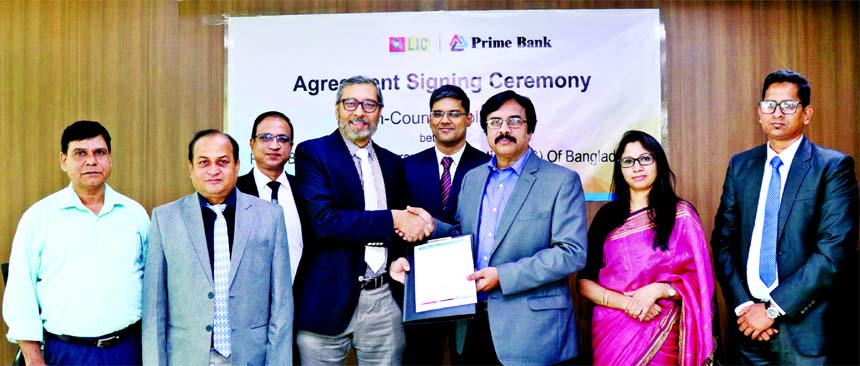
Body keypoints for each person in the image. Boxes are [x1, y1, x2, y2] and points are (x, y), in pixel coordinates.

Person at [411, 90, 588, 365]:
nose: (504, 129)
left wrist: (502, 276)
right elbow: (463, 237)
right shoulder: (473, 179)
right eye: (495, 122)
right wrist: (434, 227)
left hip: (532, 332)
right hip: (472, 325)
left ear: (530, 131)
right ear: (485, 131)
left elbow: (571, 253)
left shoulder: (561, 181)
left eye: (514, 121)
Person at [711, 69, 858, 365]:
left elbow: (833, 252)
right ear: (759, 113)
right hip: (747, 331)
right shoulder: (741, 166)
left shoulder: (832, 167)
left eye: (789, 105)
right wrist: (743, 308)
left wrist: (772, 310)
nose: (777, 113)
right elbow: (722, 241)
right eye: (770, 105)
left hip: (806, 332)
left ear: (807, 113)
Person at [292, 75, 430, 365]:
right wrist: (393, 219)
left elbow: (402, 228)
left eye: (369, 104)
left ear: (380, 111)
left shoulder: (393, 163)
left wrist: (399, 255)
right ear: (337, 108)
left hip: (383, 298)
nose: (359, 112)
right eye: (351, 103)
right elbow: (323, 222)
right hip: (325, 301)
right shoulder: (313, 153)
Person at [2, 120, 149, 365]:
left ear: (110, 158)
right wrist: (32, 357)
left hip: (126, 350)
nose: (91, 161)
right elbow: (20, 291)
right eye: (80, 153)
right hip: (64, 352)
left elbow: (152, 284)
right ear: (63, 161)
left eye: (99, 152)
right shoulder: (39, 218)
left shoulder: (134, 215)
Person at [142, 130, 293, 366]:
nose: (213, 171)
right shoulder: (165, 219)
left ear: (237, 165)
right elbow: (154, 309)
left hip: (251, 357)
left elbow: (281, 303)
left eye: (222, 162)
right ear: (191, 168)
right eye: (204, 162)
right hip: (187, 357)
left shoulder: (269, 216)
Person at [577, 130, 715, 366]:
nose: (637, 167)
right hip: (614, 335)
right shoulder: (607, 217)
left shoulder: (681, 214)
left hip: (665, 332)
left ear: (658, 163)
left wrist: (659, 291)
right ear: (620, 168)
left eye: (645, 159)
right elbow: (584, 283)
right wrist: (629, 304)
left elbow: (701, 281)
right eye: (628, 162)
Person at [402, 85, 489, 365]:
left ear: (469, 119)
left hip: (473, 290)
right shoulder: (407, 167)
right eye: (438, 114)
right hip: (422, 292)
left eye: (454, 113)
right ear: (429, 120)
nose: (445, 120)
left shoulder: (489, 166)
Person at [236, 110, 304, 282]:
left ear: (291, 146)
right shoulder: (234, 191)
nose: (274, 145)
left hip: (303, 298)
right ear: (252, 143)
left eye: (282, 139)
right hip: (251, 297)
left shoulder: (306, 189)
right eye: (265, 137)